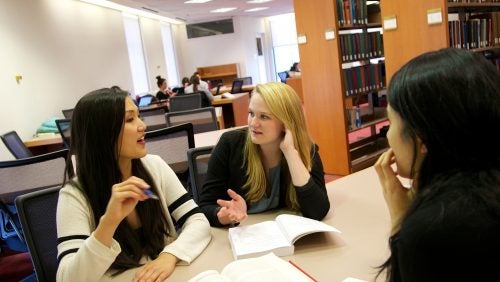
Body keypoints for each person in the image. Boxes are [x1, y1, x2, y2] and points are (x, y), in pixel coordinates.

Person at [56, 87, 211, 281]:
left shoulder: (154, 166)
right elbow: (67, 279)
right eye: (130, 119)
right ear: (102, 133)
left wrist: (170, 255)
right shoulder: (75, 194)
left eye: (139, 117)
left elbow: (197, 221)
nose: (142, 126)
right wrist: (109, 222)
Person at [374, 48, 500, 281]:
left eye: (390, 122)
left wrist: (402, 219)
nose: (388, 136)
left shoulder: (433, 229)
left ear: (421, 139)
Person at [198, 82, 330, 227]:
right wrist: (226, 216)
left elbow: (318, 211)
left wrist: (290, 153)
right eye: (251, 113)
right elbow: (205, 206)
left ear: (286, 122)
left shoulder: (305, 149)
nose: (253, 123)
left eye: (264, 117)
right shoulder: (230, 144)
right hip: (243, 234)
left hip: (281, 234)